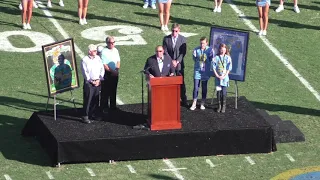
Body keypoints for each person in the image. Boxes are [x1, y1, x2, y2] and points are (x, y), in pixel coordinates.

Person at [163, 23, 188, 106]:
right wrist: (171, 61)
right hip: (169, 65)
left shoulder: (183, 39)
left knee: (181, 82)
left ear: (179, 31)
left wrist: (177, 61)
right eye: (173, 31)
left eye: (176, 31)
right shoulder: (166, 39)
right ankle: (171, 99)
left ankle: (183, 98)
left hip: (179, 65)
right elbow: (165, 51)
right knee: (170, 81)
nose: (174, 33)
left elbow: (183, 52)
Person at [81, 44, 105, 123]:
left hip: (97, 81)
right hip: (89, 83)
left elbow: (102, 69)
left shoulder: (98, 58)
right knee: (88, 99)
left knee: (96, 99)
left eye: (96, 51)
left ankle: (94, 114)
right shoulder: (85, 60)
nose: (96, 52)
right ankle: (85, 116)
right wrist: (91, 81)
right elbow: (85, 73)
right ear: (89, 51)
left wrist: (99, 79)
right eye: (94, 51)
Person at [190, 37, 214, 111]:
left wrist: (206, 60)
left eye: (203, 43)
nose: (202, 44)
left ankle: (202, 103)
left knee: (204, 87)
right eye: (201, 43)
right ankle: (194, 103)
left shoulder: (210, 50)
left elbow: (211, 60)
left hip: (205, 71)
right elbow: (194, 59)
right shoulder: (196, 50)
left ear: (206, 43)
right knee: (196, 87)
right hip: (197, 70)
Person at [100, 36, 121, 113]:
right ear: (107, 43)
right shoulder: (104, 51)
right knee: (105, 91)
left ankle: (113, 106)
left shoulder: (115, 50)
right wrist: (113, 72)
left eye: (113, 42)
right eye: (110, 43)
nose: (112, 44)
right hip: (107, 74)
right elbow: (104, 65)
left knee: (113, 90)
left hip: (115, 73)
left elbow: (118, 61)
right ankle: (104, 107)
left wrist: (117, 69)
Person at [212, 43, 232, 113]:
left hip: (224, 78)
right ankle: (219, 106)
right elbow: (213, 67)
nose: (223, 50)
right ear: (219, 49)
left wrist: (224, 75)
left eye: (224, 49)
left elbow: (229, 68)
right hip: (218, 78)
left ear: (226, 50)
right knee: (218, 92)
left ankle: (223, 106)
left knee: (224, 92)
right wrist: (217, 75)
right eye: (221, 49)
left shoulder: (228, 58)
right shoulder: (216, 57)